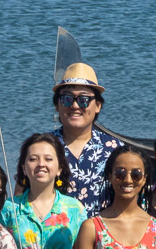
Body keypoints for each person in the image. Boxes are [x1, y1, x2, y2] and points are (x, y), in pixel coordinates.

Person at [49, 59, 128, 210]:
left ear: (98, 105)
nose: (74, 106)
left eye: (83, 100)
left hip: (102, 231)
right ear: (57, 106)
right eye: (66, 99)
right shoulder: (43, 147)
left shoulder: (115, 150)